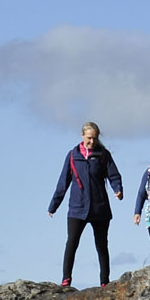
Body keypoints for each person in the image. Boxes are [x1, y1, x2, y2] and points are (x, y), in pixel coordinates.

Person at [48, 121, 122, 287]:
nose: (92, 142)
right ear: (82, 136)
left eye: (95, 138)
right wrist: (53, 205)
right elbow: (63, 182)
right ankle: (66, 279)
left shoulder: (103, 155)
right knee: (72, 242)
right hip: (77, 208)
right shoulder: (73, 156)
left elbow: (114, 175)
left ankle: (105, 282)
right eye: (89, 138)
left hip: (100, 209)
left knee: (102, 245)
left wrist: (118, 190)